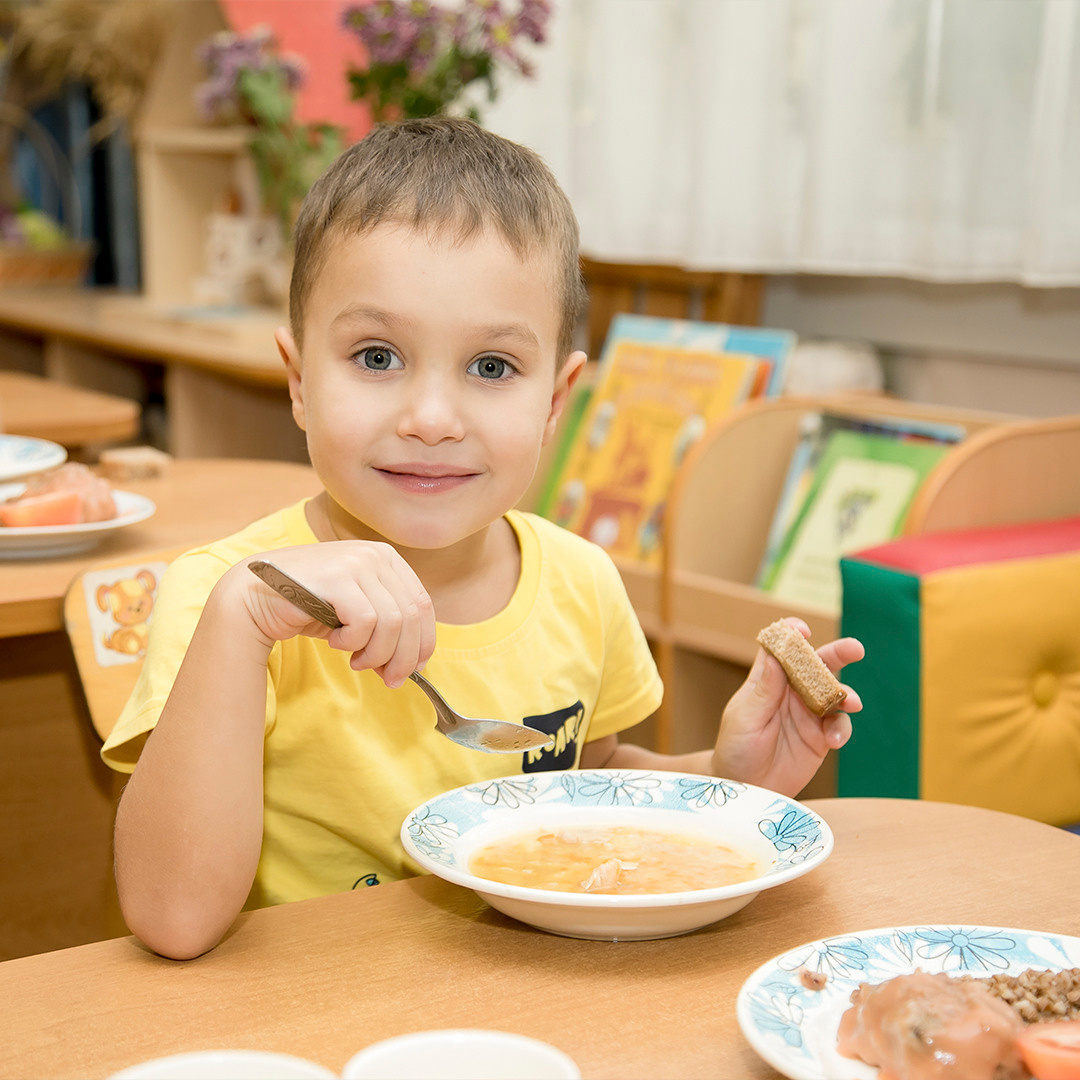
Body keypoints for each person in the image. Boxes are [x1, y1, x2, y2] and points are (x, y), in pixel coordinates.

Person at [102, 117, 864, 960]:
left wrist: (729, 782)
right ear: (298, 382)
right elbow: (173, 919)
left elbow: (586, 789)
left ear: (554, 400)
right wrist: (242, 618)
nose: (432, 419)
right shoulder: (226, 597)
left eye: (492, 368)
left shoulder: (581, 582)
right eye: (377, 356)